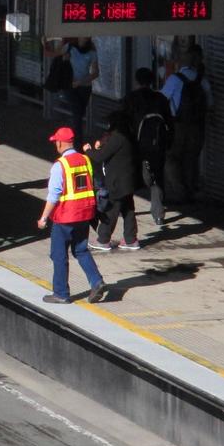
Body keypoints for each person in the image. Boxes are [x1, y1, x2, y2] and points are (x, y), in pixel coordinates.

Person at [37, 126, 109, 305]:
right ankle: (96, 281)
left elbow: (54, 195)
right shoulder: (85, 159)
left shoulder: (60, 165)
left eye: (56, 142)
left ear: (61, 143)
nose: (55, 145)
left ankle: (61, 293)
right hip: (84, 214)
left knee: (59, 254)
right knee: (81, 250)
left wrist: (43, 218)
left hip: (65, 216)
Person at [161, 46, 212, 203]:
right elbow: (210, 104)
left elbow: (162, 99)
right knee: (191, 158)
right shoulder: (203, 80)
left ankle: (179, 191)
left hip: (178, 126)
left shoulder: (174, 79)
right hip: (197, 127)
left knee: (171, 157)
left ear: (182, 61)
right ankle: (191, 191)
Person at [123, 67, 173, 226]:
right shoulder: (161, 99)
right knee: (158, 176)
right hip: (158, 144)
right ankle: (158, 214)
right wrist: (168, 143)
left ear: (136, 81)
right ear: (152, 81)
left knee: (131, 175)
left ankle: (128, 210)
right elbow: (169, 122)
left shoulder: (131, 98)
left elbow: (124, 122)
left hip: (136, 144)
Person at [88, 112, 141, 251]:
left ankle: (103, 240)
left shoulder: (118, 137)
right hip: (128, 181)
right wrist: (102, 144)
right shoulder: (129, 135)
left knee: (111, 210)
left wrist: (89, 150)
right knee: (128, 210)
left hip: (117, 182)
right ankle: (131, 240)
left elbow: (100, 156)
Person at [65, 37, 100, 147]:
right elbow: (57, 57)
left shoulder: (92, 51)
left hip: (84, 87)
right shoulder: (70, 47)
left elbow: (95, 73)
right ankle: (77, 144)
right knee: (77, 114)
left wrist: (80, 82)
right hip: (70, 85)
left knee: (79, 114)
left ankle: (74, 138)